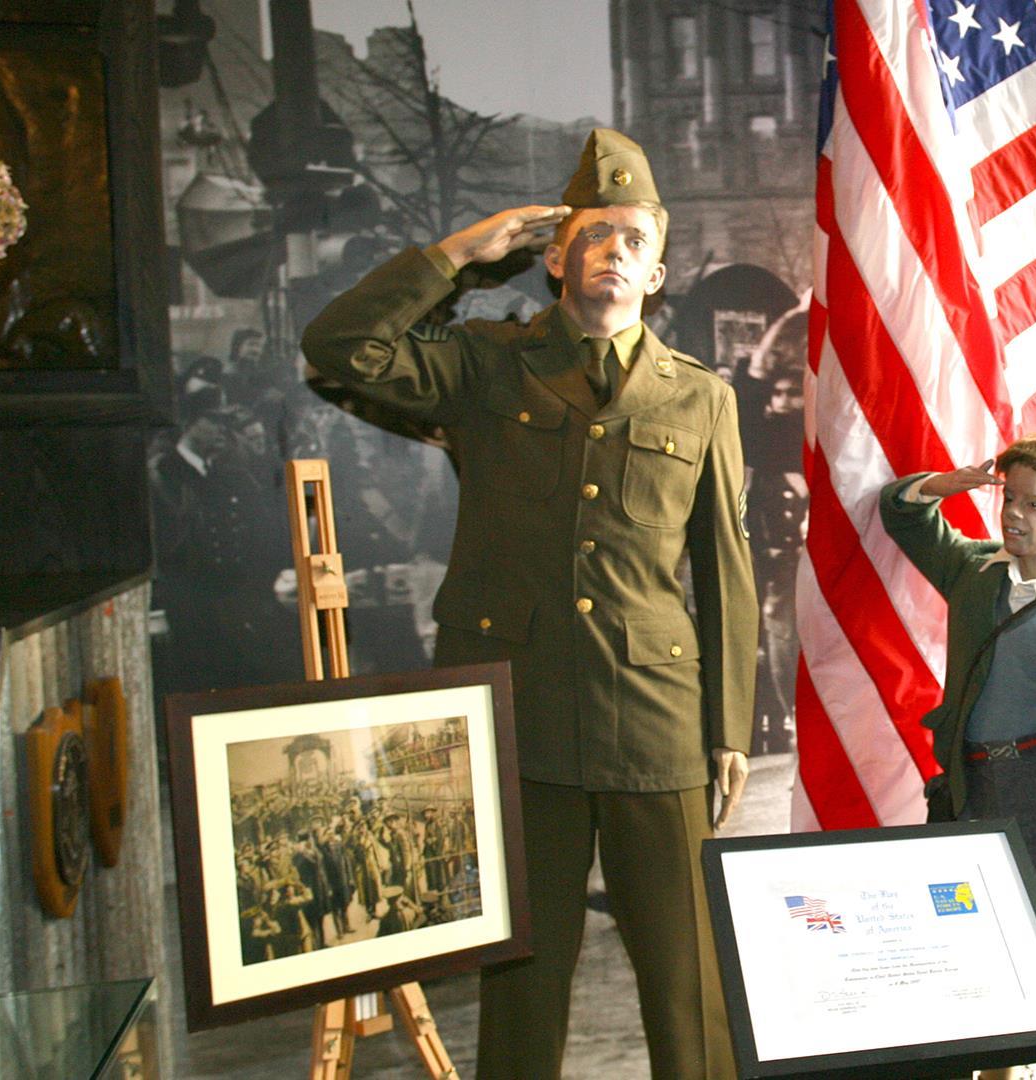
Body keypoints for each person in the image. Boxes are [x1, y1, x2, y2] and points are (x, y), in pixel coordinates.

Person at [302, 127, 754, 1079]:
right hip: (519, 715)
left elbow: (723, 568)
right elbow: (339, 346)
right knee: (521, 984)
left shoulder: (699, 399)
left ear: (659, 271)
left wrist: (728, 727)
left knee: (689, 984)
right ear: (554, 256)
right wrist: (460, 254)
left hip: (655, 721)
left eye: (635, 238)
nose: (615, 251)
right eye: (595, 233)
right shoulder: (483, 365)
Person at [879, 432, 1036, 1001]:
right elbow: (901, 515)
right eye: (1010, 500)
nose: (1015, 516)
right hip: (972, 787)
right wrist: (941, 486)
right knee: (973, 953)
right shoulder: (976, 574)